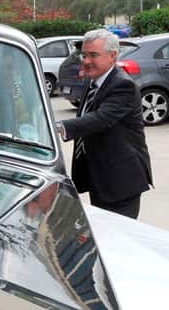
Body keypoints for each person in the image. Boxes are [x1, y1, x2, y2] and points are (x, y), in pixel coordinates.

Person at [56, 29, 153, 219]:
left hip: (121, 181)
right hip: (99, 177)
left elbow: (101, 119)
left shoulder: (122, 85)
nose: (86, 60)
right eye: (84, 55)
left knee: (117, 239)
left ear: (112, 56)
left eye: (93, 55)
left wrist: (59, 127)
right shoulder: (92, 82)